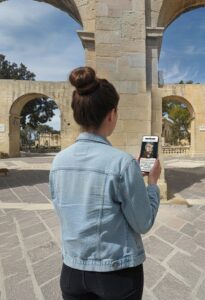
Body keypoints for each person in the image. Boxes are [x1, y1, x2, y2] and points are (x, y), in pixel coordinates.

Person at [49, 66, 161, 300]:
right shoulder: (122, 163)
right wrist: (151, 183)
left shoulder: (58, 162)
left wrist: (133, 177)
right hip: (116, 273)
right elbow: (143, 222)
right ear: (111, 114)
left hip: (72, 269)